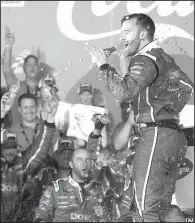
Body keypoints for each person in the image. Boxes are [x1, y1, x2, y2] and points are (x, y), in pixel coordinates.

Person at [89, 13, 194, 222]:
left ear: (144, 34)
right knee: (162, 209)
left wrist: (103, 66)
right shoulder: (163, 58)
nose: (122, 38)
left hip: (155, 135)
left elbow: (124, 92)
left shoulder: (145, 59)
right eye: (121, 33)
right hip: (173, 135)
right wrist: (164, 108)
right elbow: (187, 87)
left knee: (145, 210)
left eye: (127, 32)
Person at [1, 92, 57, 222]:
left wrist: (51, 118)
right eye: (6, 147)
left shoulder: (21, 164)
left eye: (14, 146)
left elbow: (41, 148)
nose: (11, 151)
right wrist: (1, 114)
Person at [34, 148, 110, 222]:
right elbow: (41, 215)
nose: (84, 163)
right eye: (79, 159)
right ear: (71, 164)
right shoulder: (55, 188)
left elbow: (112, 216)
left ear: (92, 163)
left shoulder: (100, 188)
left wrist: (104, 214)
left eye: (87, 160)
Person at [2, 27, 54, 125]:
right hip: (17, 137)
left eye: (35, 64)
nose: (32, 67)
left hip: (40, 137)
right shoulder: (16, 86)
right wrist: (8, 46)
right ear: (23, 69)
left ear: (39, 69)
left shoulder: (45, 91)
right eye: (28, 64)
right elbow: (6, 70)